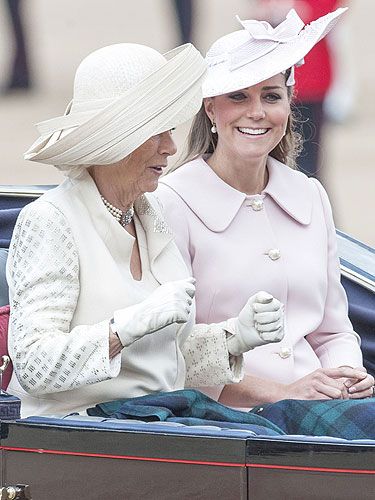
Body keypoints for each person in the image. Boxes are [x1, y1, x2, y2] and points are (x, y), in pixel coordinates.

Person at [6, 42, 285, 417]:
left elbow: (162, 358)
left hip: (162, 421)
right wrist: (122, 329)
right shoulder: (51, 220)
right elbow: (34, 365)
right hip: (84, 435)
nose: (171, 147)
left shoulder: (150, 212)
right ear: (115, 139)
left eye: (170, 130)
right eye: (157, 131)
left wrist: (234, 336)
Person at [156, 8, 374, 410]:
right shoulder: (171, 201)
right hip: (224, 421)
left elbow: (333, 333)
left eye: (271, 96)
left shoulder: (309, 194)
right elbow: (168, 353)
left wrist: (348, 378)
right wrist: (283, 394)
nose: (256, 111)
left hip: (321, 406)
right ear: (210, 109)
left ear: (290, 106)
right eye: (238, 96)